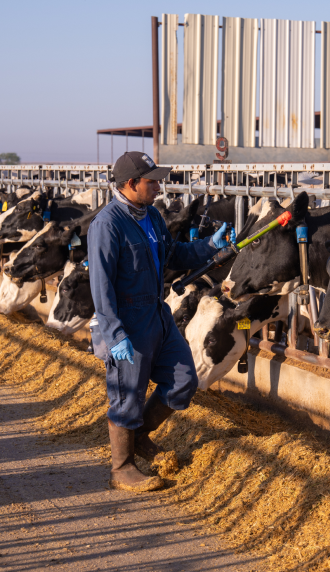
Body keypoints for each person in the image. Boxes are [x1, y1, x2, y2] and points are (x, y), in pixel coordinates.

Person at [88, 151, 235, 492]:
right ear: (130, 184)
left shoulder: (152, 217)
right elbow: (101, 284)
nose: (159, 187)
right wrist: (114, 332)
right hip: (127, 319)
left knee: (184, 379)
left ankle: (139, 435)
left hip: (157, 312)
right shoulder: (107, 224)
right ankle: (122, 467)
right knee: (128, 394)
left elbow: (172, 255)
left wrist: (208, 246)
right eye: (152, 181)